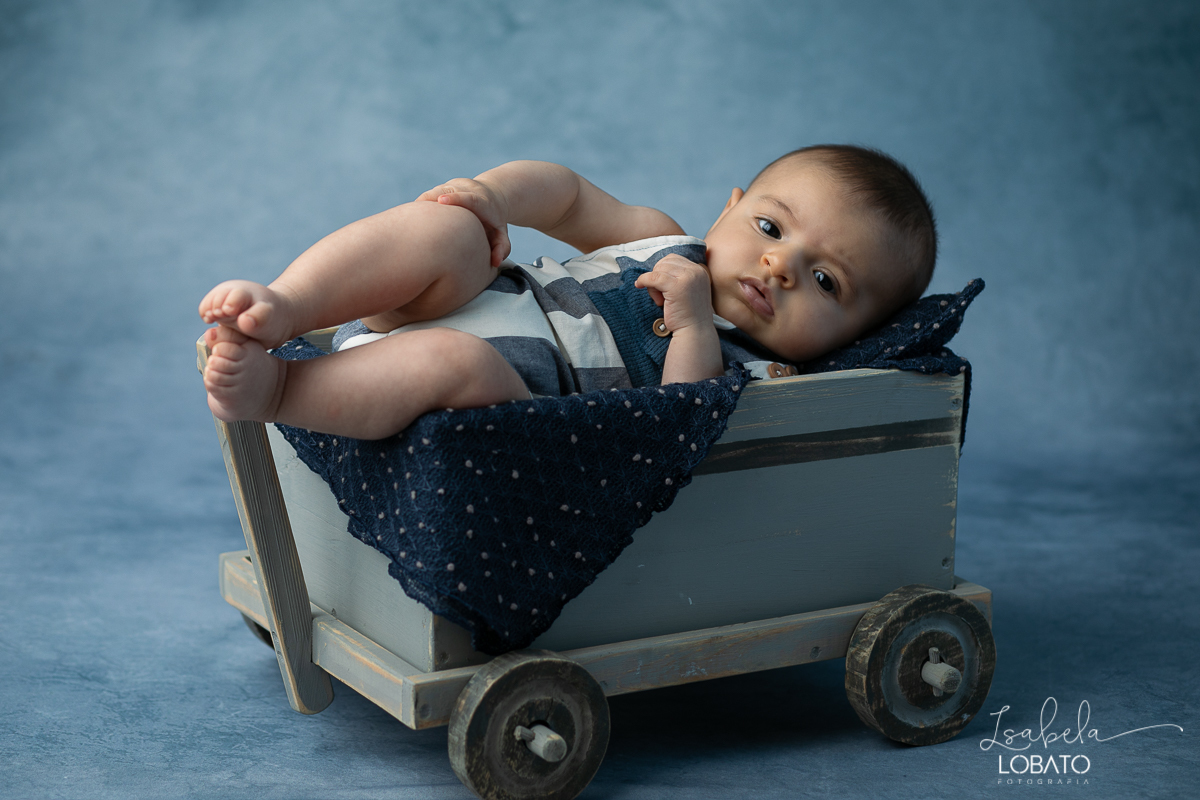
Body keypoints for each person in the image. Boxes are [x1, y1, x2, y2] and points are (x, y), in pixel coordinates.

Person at [199, 145, 937, 440]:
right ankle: (289, 306)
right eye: (771, 226)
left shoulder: (753, 378)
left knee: (459, 363)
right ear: (729, 208)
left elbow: (668, 429)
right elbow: (568, 197)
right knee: (450, 234)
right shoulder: (657, 235)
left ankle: (276, 393)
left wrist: (693, 328)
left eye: (824, 281)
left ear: (856, 335)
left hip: (507, 398)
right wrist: (491, 198)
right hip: (447, 300)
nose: (779, 267)